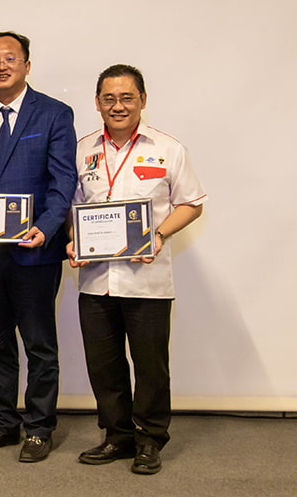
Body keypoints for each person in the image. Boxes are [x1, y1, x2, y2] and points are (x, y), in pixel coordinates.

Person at [67, 64, 206, 475]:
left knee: (149, 366)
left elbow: (191, 203)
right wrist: (73, 240)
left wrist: (159, 235)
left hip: (148, 281)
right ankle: (117, 436)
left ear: (143, 100)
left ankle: (149, 439)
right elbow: (72, 208)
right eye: (108, 98)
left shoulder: (168, 148)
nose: (118, 106)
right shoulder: (82, 149)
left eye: (127, 97)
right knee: (104, 364)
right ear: (97, 103)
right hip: (95, 281)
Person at [0, 31, 77, 463]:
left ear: (27, 64)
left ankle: (39, 428)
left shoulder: (55, 114)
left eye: (10, 58)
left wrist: (45, 227)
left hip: (35, 251)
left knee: (40, 345)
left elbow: (63, 183)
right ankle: (3, 422)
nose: (1, 66)